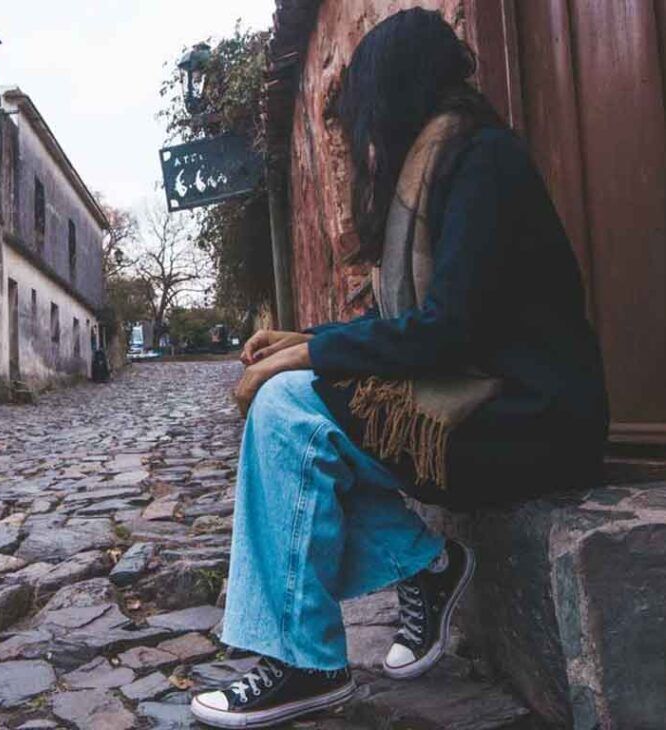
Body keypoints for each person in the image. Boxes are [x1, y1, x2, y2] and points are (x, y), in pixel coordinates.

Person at [190, 9, 608, 728]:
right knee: (299, 412)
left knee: (290, 409)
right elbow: (413, 328)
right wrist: (308, 336)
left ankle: (304, 660)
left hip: (535, 421)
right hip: (483, 410)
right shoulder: (444, 163)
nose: (362, 131)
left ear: (397, 89)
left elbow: (443, 334)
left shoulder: (483, 163)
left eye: (364, 108)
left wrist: (306, 354)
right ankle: (422, 565)